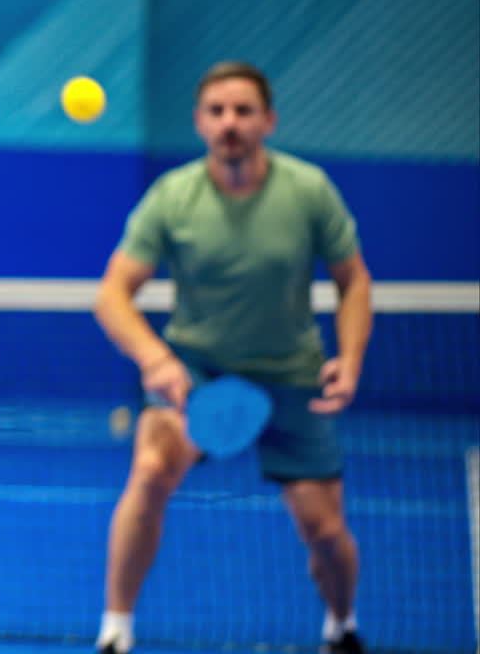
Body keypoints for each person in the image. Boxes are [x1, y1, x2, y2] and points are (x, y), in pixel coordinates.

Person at [91, 62, 372, 654]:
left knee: (325, 533)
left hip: (292, 375)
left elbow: (354, 281)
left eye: (243, 111)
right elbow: (112, 293)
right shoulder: (173, 197)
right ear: (199, 123)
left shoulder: (308, 190)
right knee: (148, 471)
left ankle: (340, 628)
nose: (230, 124)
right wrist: (155, 359)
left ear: (268, 120)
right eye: (217, 112)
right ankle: (115, 632)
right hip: (197, 371)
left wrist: (349, 357)